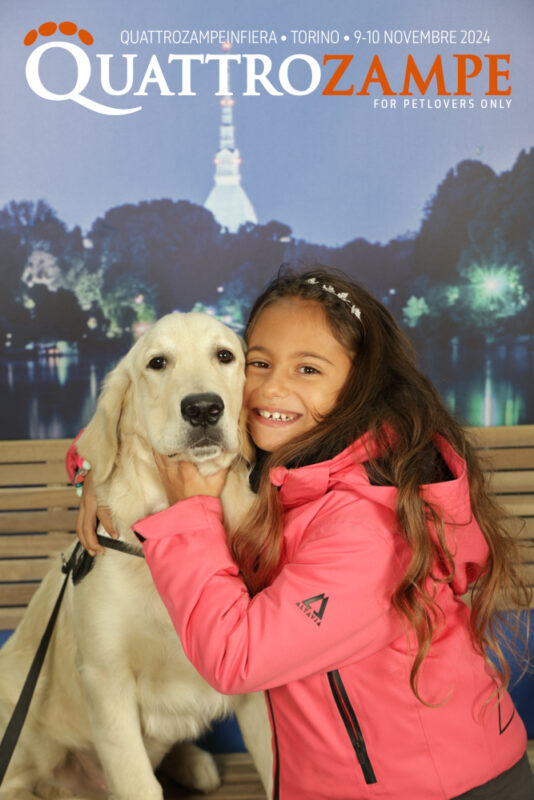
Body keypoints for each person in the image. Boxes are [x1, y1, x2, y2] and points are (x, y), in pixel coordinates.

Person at [73, 267, 533, 799]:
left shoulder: (370, 528)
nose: (271, 387)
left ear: (361, 385)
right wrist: (92, 472)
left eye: (308, 369)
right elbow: (143, 418)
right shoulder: (286, 464)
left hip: (439, 789)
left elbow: (238, 658)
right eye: (259, 363)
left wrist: (192, 510)